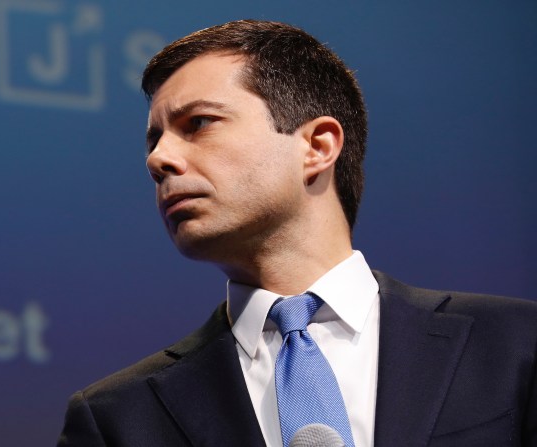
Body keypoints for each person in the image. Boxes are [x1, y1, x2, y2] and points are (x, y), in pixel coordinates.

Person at [57, 20, 537, 446]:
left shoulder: (517, 343)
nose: (158, 159)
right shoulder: (118, 417)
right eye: (155, 140)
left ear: (317, 147)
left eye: (198, 123)